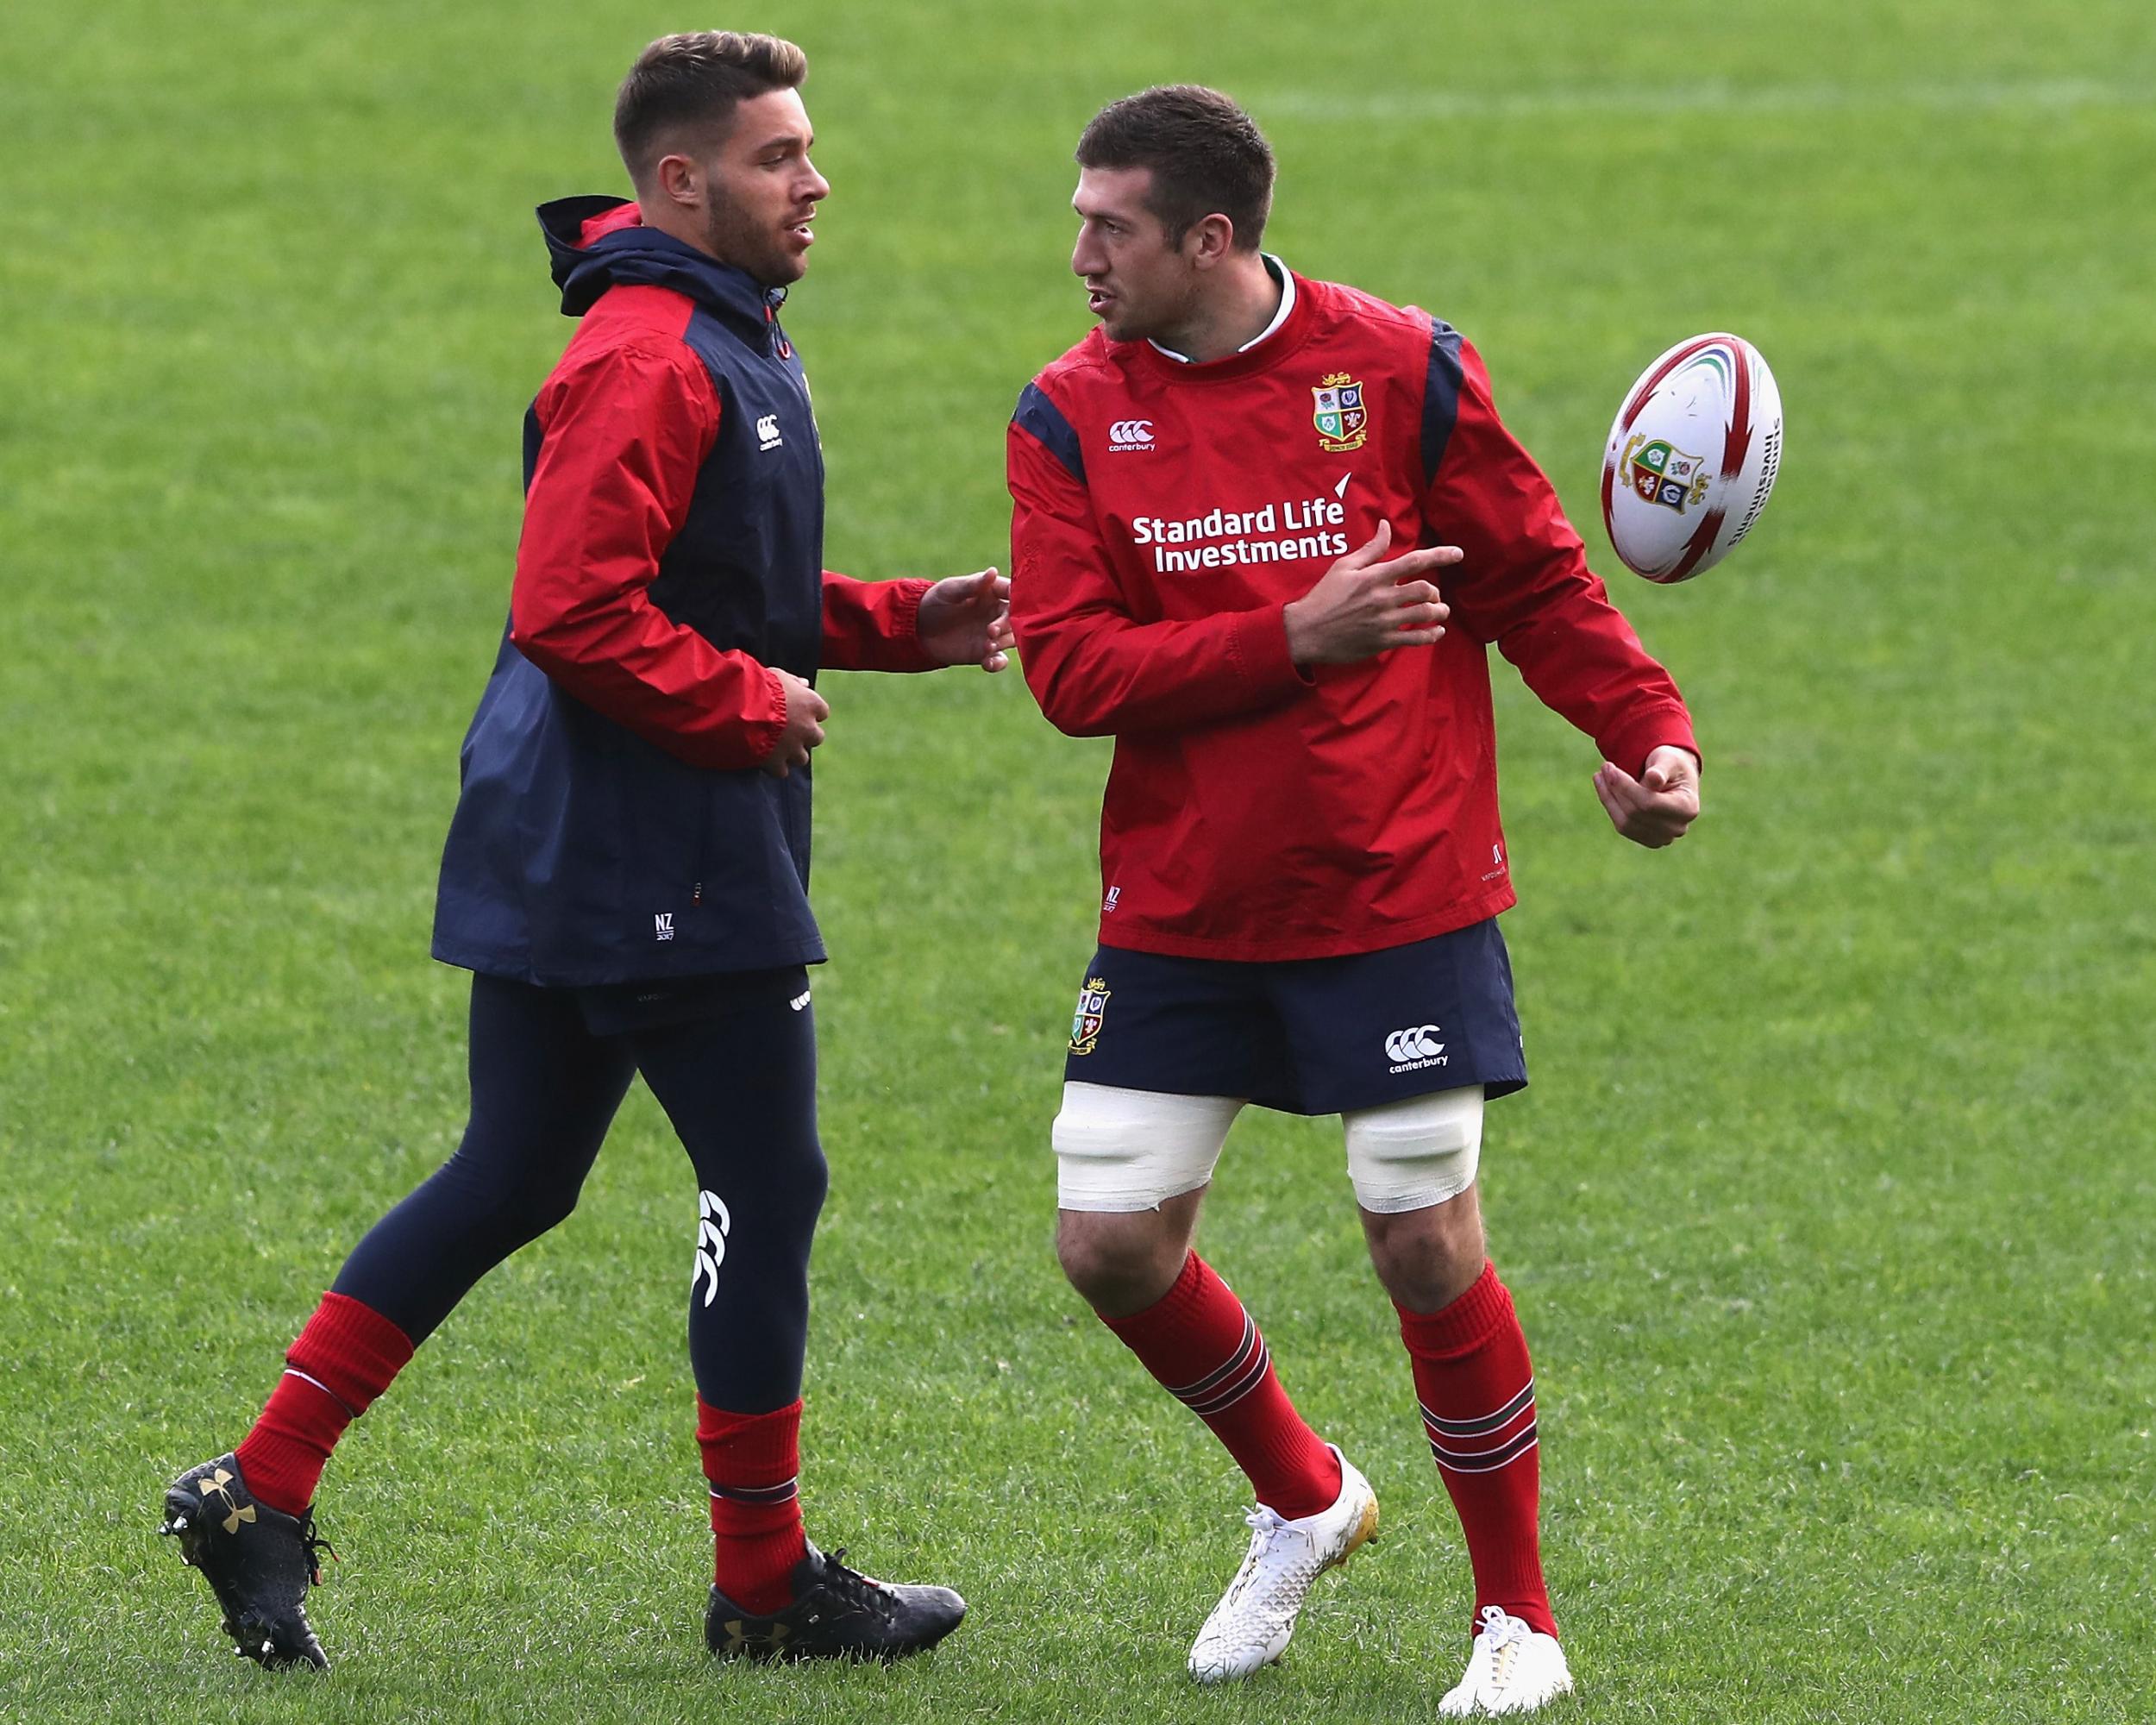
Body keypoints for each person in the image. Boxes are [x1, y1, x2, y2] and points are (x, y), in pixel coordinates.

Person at [160, 31, 1009, 1672]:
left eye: (810, 151)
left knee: (514, 1172)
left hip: (577, 838)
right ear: (680, 180)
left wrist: (897, 626)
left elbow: (703, 584)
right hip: (660, 855)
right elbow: (573, 608)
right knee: (769, 1186)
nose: (815, 181)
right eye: (778, 158)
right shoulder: (653, 358)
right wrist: (737, 708)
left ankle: (258, 1488)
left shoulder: (717, 336)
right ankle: (762, 1581)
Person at [1006, 85, 1700, 1715]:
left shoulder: (1396, 369)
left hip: (1399, 886)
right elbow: (1068, 668)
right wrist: (1290, 639)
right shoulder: (1065, 412)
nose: (1081, 254)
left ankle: (1516, 1622)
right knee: (1109, 1244)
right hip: (1182, 901)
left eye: (1112, 225)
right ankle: (1307, 1498)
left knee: (1424, 1244)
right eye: (1081, 216)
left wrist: (1649, 734)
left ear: (1211, 238)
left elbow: (1531, 577)